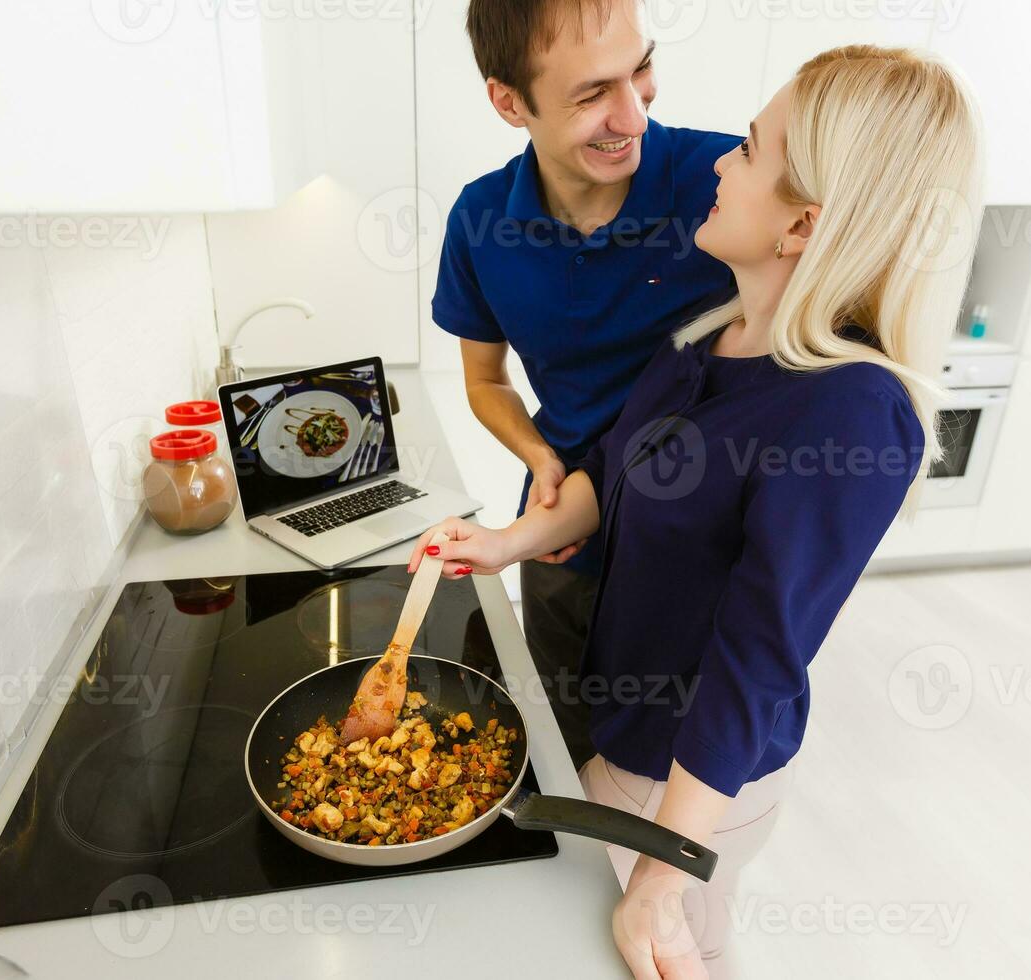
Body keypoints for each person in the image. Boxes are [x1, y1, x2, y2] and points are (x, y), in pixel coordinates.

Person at [413, 44, 983, 978]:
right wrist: (509, 539)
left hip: (681, 779)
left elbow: (756, 660)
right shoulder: (713, 333)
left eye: (749, 151)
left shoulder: (847, 411)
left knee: (674, 952)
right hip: (628, 732)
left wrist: (665, 874)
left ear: (801, 224)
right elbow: (610, 467)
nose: (719, 160)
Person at [433, 0, 740, 771]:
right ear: (509, 102)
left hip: (690, 549)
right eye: (592, 92)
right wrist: (538, 456)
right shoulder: (480, 220)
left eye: (641, 69)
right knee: (561, 744)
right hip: (558, 537)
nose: (632, 115)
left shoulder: (726, 186)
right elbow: (484, 379)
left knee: (672, 770)